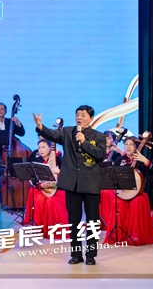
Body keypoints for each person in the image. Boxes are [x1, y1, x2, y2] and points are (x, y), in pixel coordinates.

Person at [33, 105, 105, 265]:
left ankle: (91, 255)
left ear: (91, 118)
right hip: (72, 183)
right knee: (74, 221)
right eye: (77, 114)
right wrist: (40, 126)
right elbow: (53, 135)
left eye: (83, 115)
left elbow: (100, 155)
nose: (79, 117)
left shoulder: (99, 136)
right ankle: (76, 254)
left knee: (92, 222)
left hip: (91, 183)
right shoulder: (67, 132)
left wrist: (84, 142)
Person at [103, 136, 153, 246]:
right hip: (123, 193)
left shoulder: (141, 160)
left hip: (138, 193)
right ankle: (119, 234)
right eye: (126, 144)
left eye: (131, 144)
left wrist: (146, 161)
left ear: (136, 146)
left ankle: (136, 235)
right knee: (117, 202)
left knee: (137, 202)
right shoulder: (120, 160)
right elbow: (113, 176)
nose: (128, 147)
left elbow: (152, 174)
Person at [24, 139, 68, 237]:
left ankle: (54, 230)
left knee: (51, 202)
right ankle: (40, 229)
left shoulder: (59, 160)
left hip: (58, 189)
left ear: (50, 148)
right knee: (39, 199)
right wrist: (40, 185)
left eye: (43, 147)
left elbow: (68, 176)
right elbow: (33, 178)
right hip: (43, 189)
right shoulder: (37, 161)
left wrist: (59, 172)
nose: (41, 150)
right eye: (39, 148)